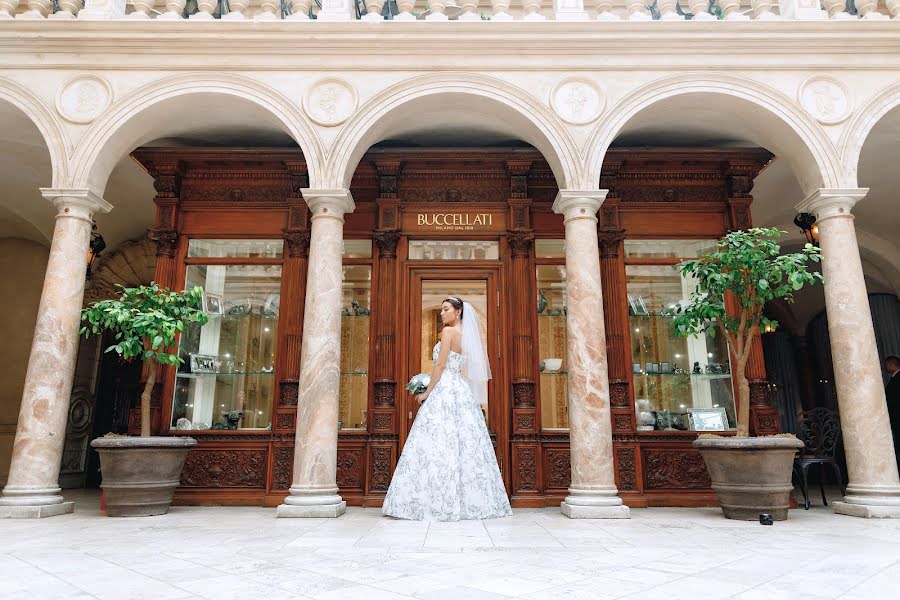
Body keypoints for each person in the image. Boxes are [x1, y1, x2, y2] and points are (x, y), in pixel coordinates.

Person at [382, 296, 512, 521]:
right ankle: (469, 502)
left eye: (446, 309)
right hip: (459, 388)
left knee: (436, 441)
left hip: (444, 386)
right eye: (442, 309)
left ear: (458, 312)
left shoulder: (449, 333)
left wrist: (426, 391)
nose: (442, 313)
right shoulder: (466, 335)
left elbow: (440, 365)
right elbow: (461, 368)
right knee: (463, 442)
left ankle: (432, 502)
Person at [885, 355, 900, 469]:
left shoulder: (897, 379)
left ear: (891, 364)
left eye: (886, 364)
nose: (885, 367)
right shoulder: (894, 378)